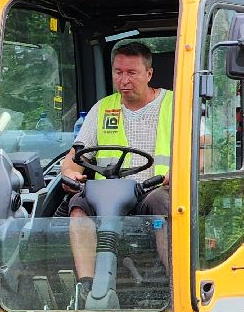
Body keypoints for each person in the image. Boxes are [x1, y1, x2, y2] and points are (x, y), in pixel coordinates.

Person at [59, 40, 172, 296]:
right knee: (78, 204)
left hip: (153, 189)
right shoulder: (102, 109)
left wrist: (179, 172)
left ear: (149, 74)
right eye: (118, 72)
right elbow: (74, 155)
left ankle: (173, 285)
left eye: (131, 73)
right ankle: (87, 287)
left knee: (161, 203)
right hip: (107, 194)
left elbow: (203, 152)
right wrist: (69, 173)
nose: (124, 80)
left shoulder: (175, 105)